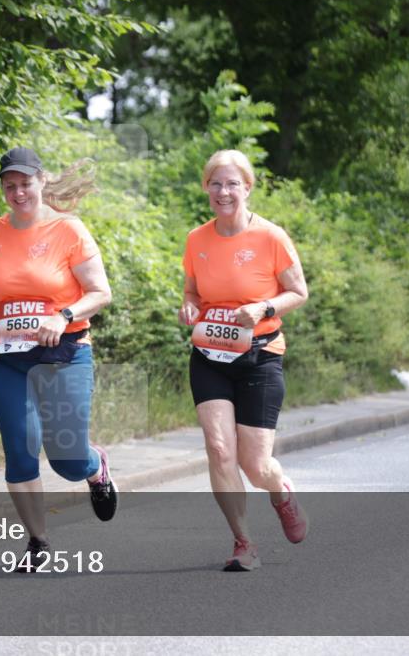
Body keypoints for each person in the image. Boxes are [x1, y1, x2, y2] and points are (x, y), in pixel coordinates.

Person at [0, 147, 117, 571]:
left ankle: (94, 466)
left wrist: (63, 316)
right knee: (20, 449)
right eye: (9, 186)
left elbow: (100, 293)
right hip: (5, 356)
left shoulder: (70, 230)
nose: (18, 192)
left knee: (66, 459)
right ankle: (39, 542)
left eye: (25, 183)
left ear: (41, 181)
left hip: (62, 353)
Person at [179, 149, 310, 572]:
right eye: (215, 183)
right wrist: (189, 308)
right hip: (210, 355)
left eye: (232, 183)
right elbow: (193, 293)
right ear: (206, 188)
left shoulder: (271, 236)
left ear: (247, 187)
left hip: (259, 357)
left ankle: (281, 491)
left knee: (256, 465)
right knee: (219, 449)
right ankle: (243, 543)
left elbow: (298, 292)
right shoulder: (197, 239)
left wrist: (264, 309)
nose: (223, 192)